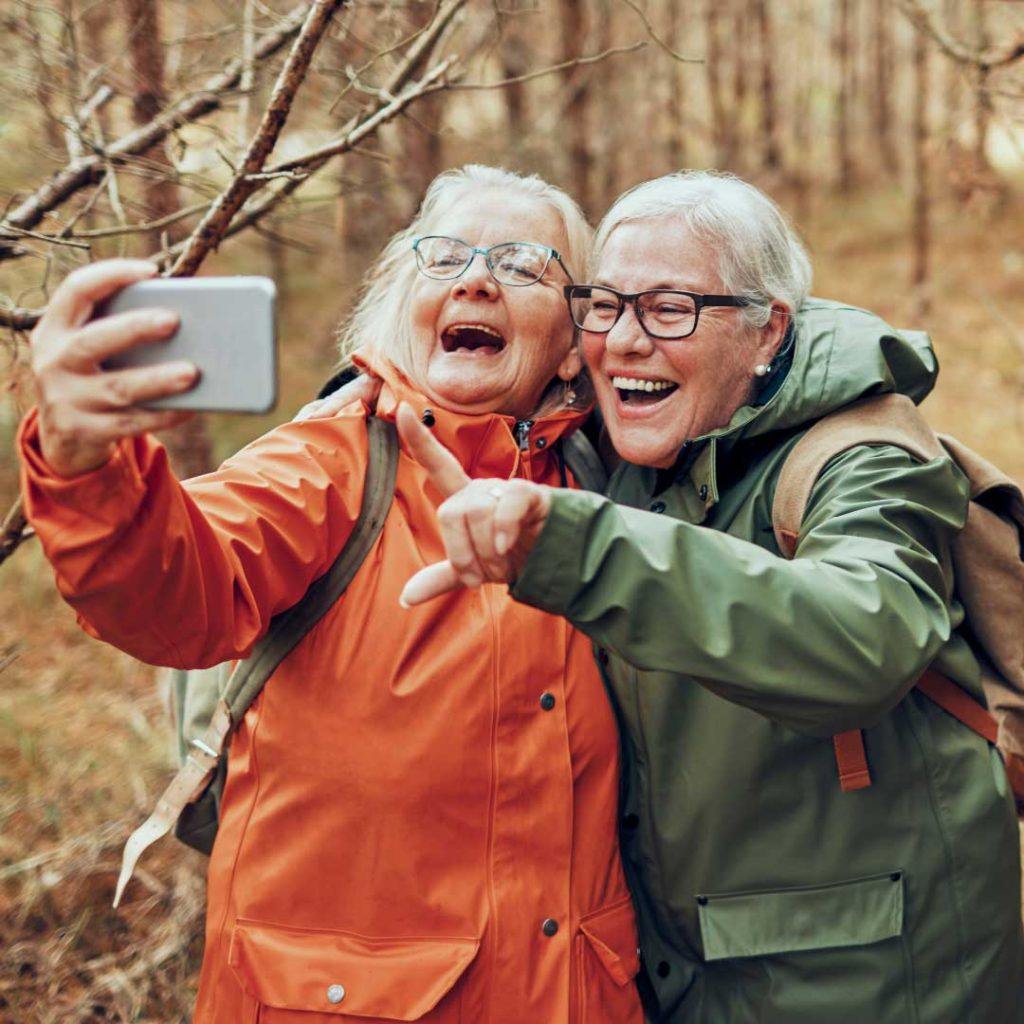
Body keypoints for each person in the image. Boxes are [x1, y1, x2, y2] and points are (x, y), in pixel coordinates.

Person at [18, 165, 644, 1023]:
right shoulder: (331, 462)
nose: (475, 276)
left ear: (575, 343)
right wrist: (86, 465)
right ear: (404, 304)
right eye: (445, 255)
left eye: (524, 262)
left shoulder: (612, 486)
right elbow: (177, 594)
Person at [400, 171, 1024, 1023]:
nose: (623, 342)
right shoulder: (621, 449)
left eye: (669, 310)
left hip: (873, 983)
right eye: (607, 305)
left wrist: (575, 547)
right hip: (676, 974)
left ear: (768, 329)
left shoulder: (866, 458)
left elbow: (863, 639)